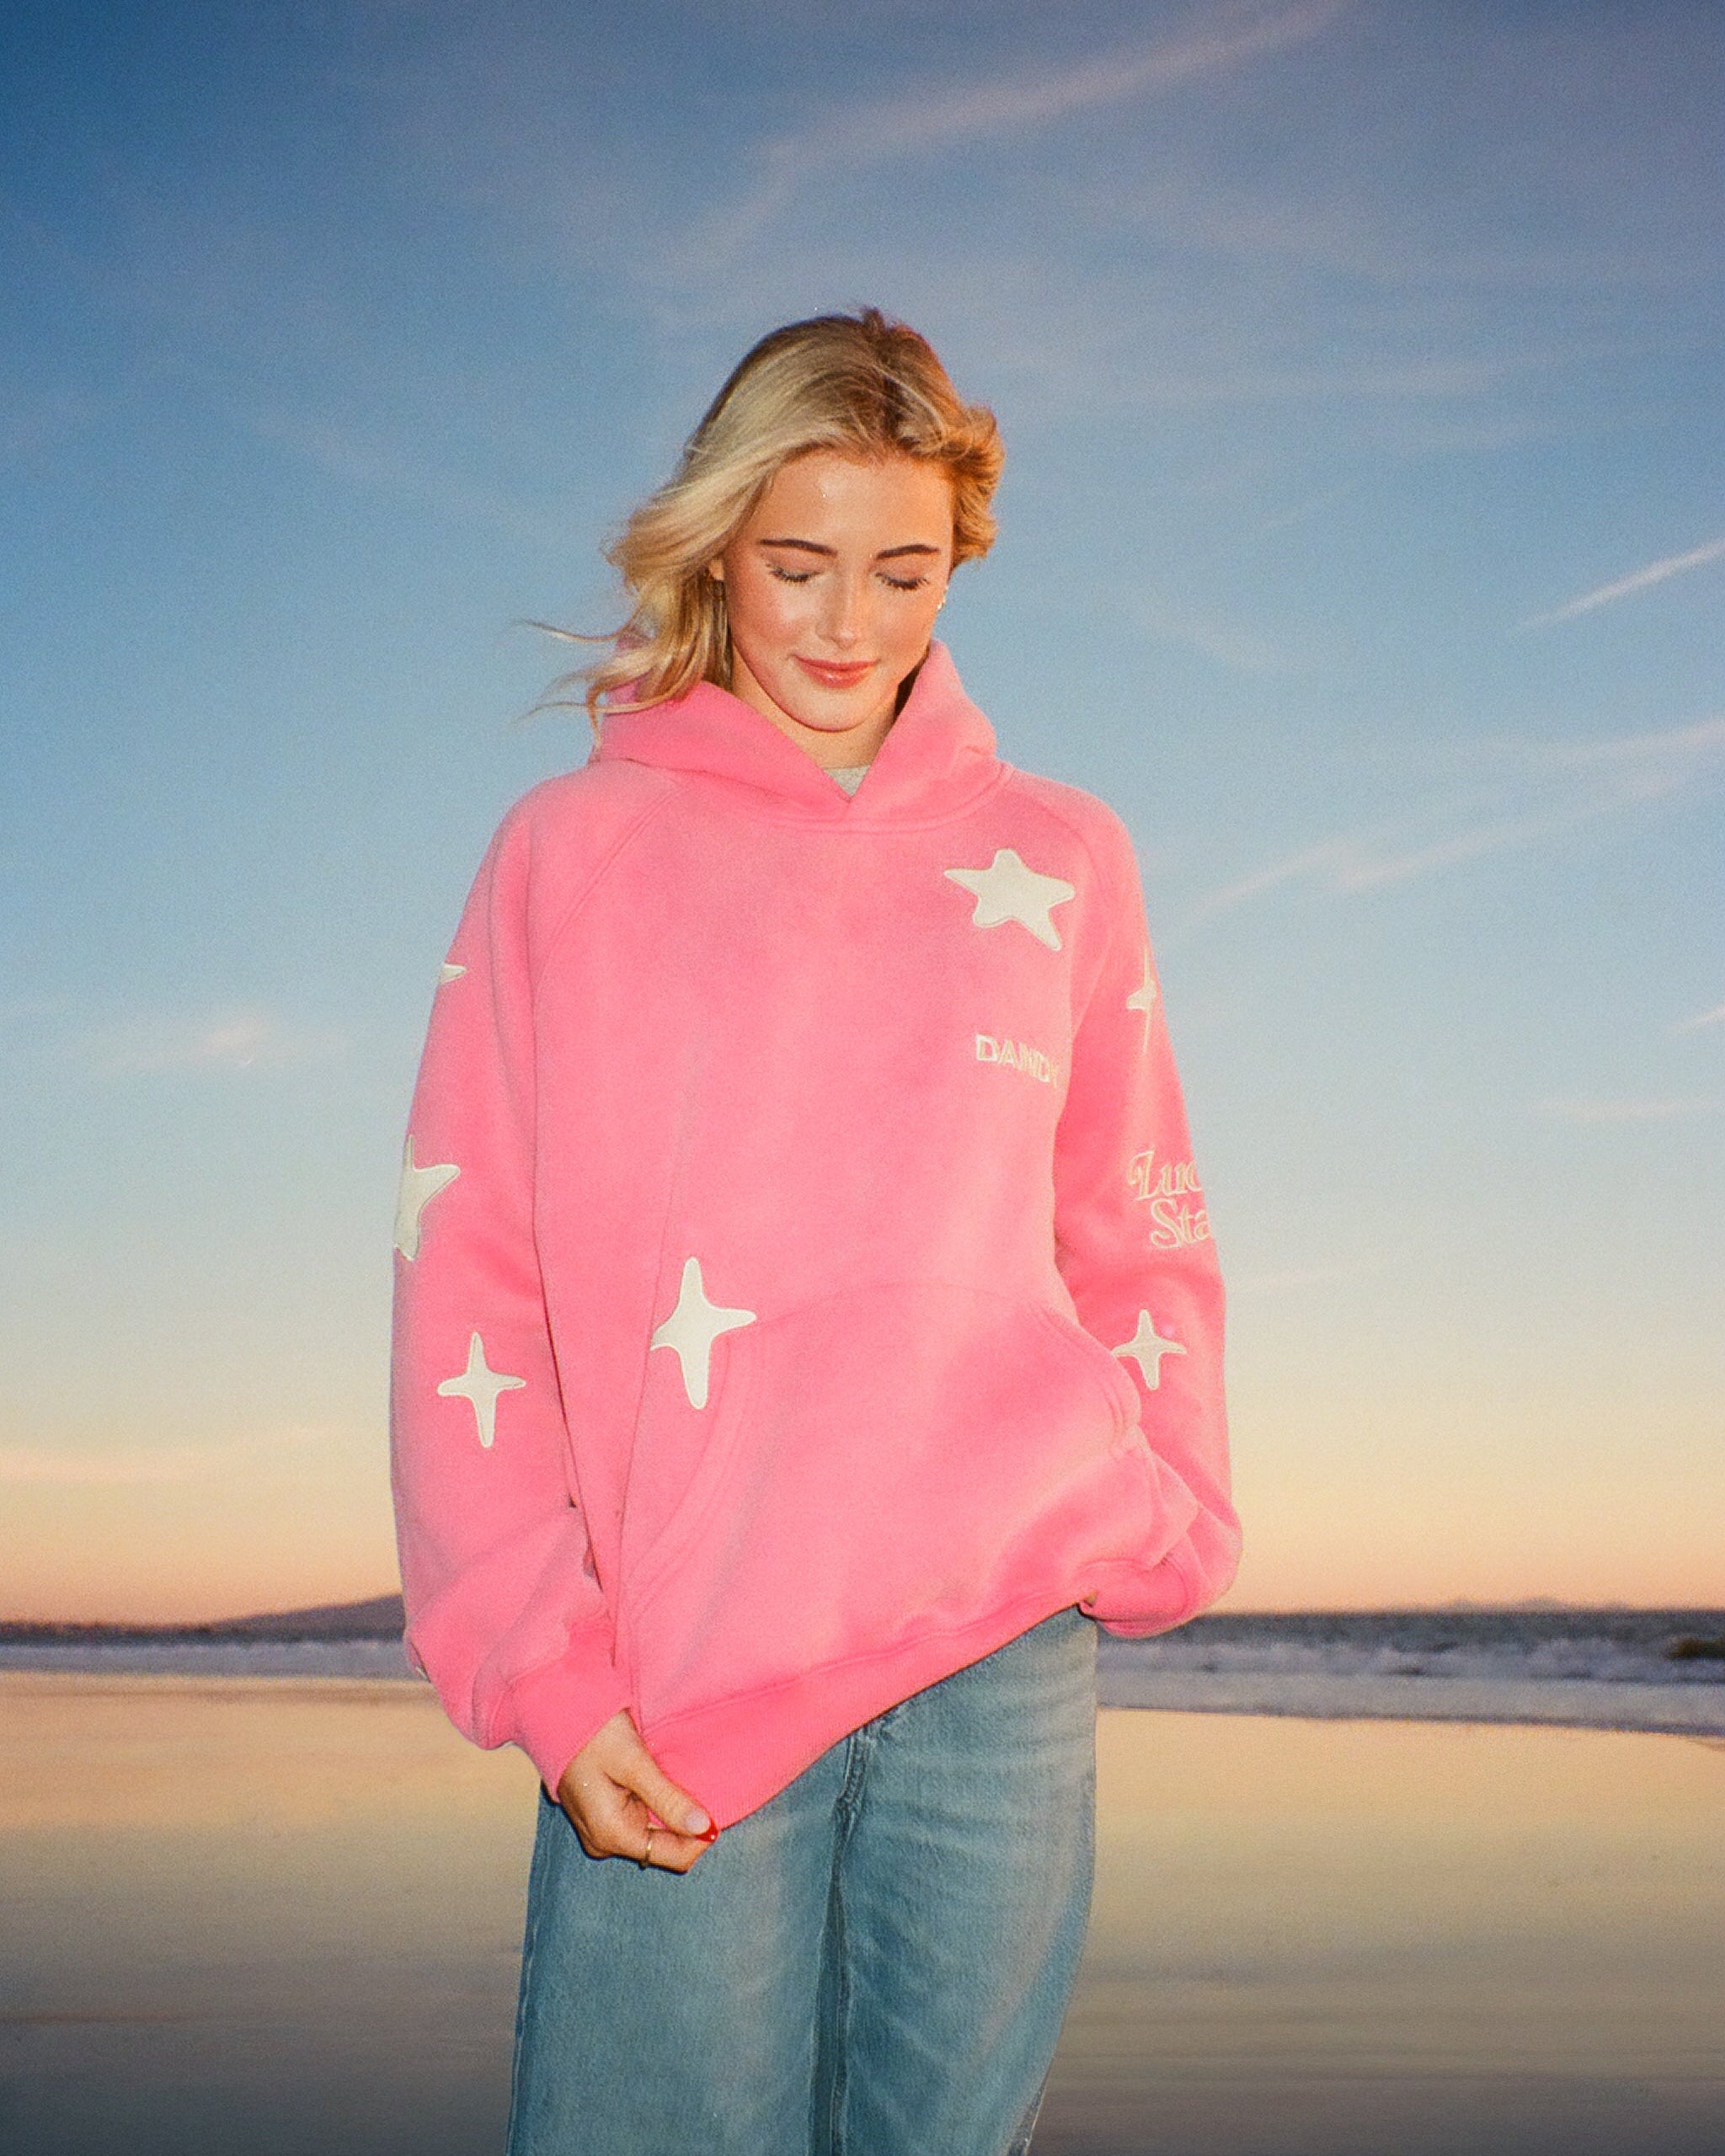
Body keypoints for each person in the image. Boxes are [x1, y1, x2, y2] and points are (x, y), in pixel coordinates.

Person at [388, 304, 1239, 2156]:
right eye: (797, 563)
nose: (849, 622)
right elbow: (474, 1276)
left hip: (1004, 1643)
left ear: (961, 560)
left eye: (903, 568)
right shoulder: (570, 854)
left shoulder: (1062, 855)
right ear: (715, 543)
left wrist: (1166, 1493)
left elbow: (1134, 1216)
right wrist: (537, 1652)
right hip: (681, 1657)